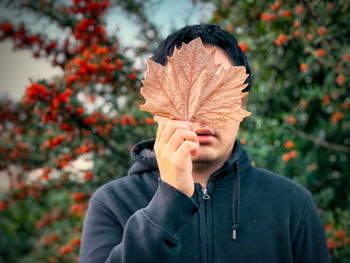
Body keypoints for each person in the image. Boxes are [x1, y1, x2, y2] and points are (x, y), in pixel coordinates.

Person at [79, 24, 331, 263]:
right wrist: (167, 203)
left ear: (242, 105)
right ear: (156, 106)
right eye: (185, 94)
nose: (201, 114)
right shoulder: (111, 203)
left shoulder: (292, 204)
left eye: (218, 93)